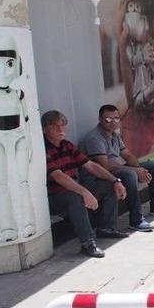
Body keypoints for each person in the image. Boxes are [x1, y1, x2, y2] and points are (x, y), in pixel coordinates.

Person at [42, 110, 128, 258]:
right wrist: (84, 192)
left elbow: (91, 166)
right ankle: (88, 243)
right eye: (55, 126)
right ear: (44, 129)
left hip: (75, 190)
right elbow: (58, 176)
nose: (60, 129)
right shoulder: (42, 149)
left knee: (108, 185)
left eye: (63, 125)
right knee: (74, 196)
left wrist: (115, 180)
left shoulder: (67, 146)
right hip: (54, 197)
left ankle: (107, 228)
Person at [81, 104, 154, 233]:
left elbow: (127, 155)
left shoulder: (114, 135)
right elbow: (104, 165)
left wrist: (139, 169)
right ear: (100, 119)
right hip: (102, 175)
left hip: (118, 169)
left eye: (116, 119)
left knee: (153, 166)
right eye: (108, 119)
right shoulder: (94, 138)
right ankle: (136, 220)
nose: (112, 122)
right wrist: (135, 171)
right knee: (129, 175)